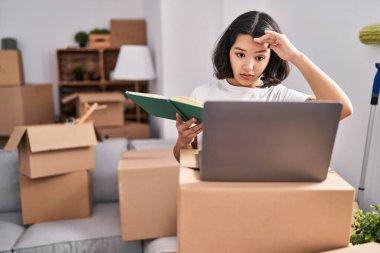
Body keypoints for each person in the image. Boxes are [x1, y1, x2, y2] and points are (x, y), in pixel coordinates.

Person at [173, 10, 353, 162]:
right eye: (240, 55)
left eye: (259, 57)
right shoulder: (202, 94)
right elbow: (183, 159)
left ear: (271, 58)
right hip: (214, 189)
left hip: (266, 191)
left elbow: (342, 109)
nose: (248, 67)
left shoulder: (280, 96)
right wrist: (183, 142)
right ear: (228, 52)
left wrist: (296, 56)